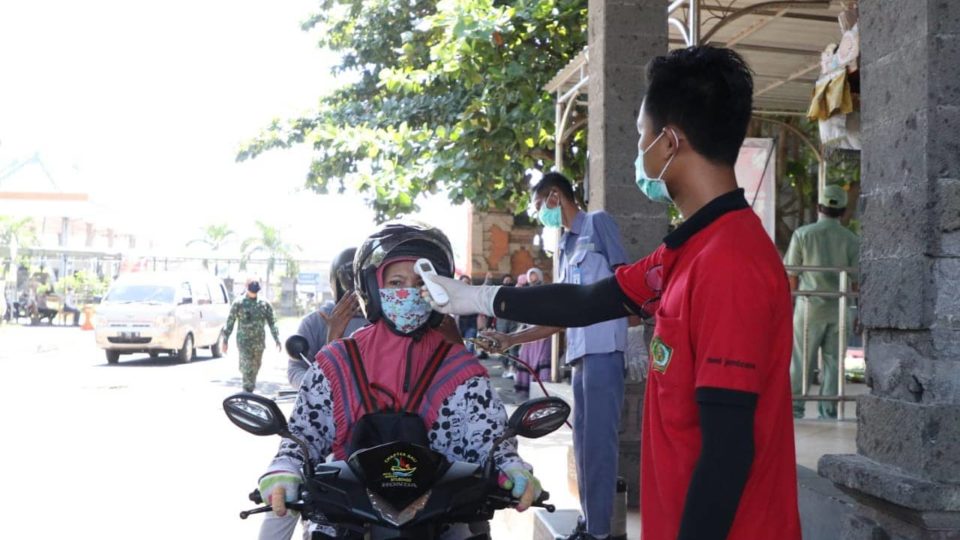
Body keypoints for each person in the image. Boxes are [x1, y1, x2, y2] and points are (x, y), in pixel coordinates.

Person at [422, 46, 801, 540]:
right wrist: (475, 299)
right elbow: (588, 302)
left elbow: (728, 450)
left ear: (669, 143)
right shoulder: (684, 252)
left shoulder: (731, 264)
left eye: (641, 135)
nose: (639, 152)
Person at [256, 221, 542, 539]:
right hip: (345, 514)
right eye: (395, 282)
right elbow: (304, 434)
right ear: (373, 288)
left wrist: (511, 467)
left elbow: (487, 438)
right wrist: (285, 468)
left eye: (420, 282)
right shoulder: (337, 360)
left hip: (440, 515)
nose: (407, 291)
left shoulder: (461, 367)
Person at [480, 172, 629, 540]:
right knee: (582, 446)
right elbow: (561, 316)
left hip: (605, 348)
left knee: (599, 445)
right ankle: (589, 521)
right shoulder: (563, 248)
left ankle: (599, 533)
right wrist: (510, 339)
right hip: (580, 355)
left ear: (554, 197)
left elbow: (625, 278)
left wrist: (636, 327)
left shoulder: (598, 223)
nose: (540, 215)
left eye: (539, 206)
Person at [784, 184, 860, 419]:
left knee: (800, 360)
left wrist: (791, 306)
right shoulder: (851, 239)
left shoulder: (803, 234)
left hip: (808, 309)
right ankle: (829, 410)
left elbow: (793, 275)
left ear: (819, 207)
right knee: (834, 363)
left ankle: (794, 408)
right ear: (843, 210)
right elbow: (856, 282)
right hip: (839, 310)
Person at [287, 248, 369, 389]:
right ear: (335, 282)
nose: (356, 289)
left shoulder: (386, 320)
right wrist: (315, 388)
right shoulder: (315, 322)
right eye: (348, 280)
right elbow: (295, 369)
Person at [223, 279, 281, 393]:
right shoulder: (239, 303)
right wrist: (225, 339)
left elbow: (272, 322)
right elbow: (230, 322)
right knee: (246, 366)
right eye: (251, 291)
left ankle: (250, 387)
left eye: (255, 291)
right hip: (244, 342)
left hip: (258, 343)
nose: (253, 293)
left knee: (255, 367)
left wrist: (277, 338)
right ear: (246, 288)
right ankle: (247, 391)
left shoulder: (264, 304)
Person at [513, 268, 552, 399]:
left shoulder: (546, 290)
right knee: (526, 357)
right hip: (529, 329)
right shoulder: (525, 290)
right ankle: (526, 389)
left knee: (542, 357)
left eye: (535, 274)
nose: (533, 277)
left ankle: (542, 387)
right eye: (531, 275)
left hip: (543, 329)